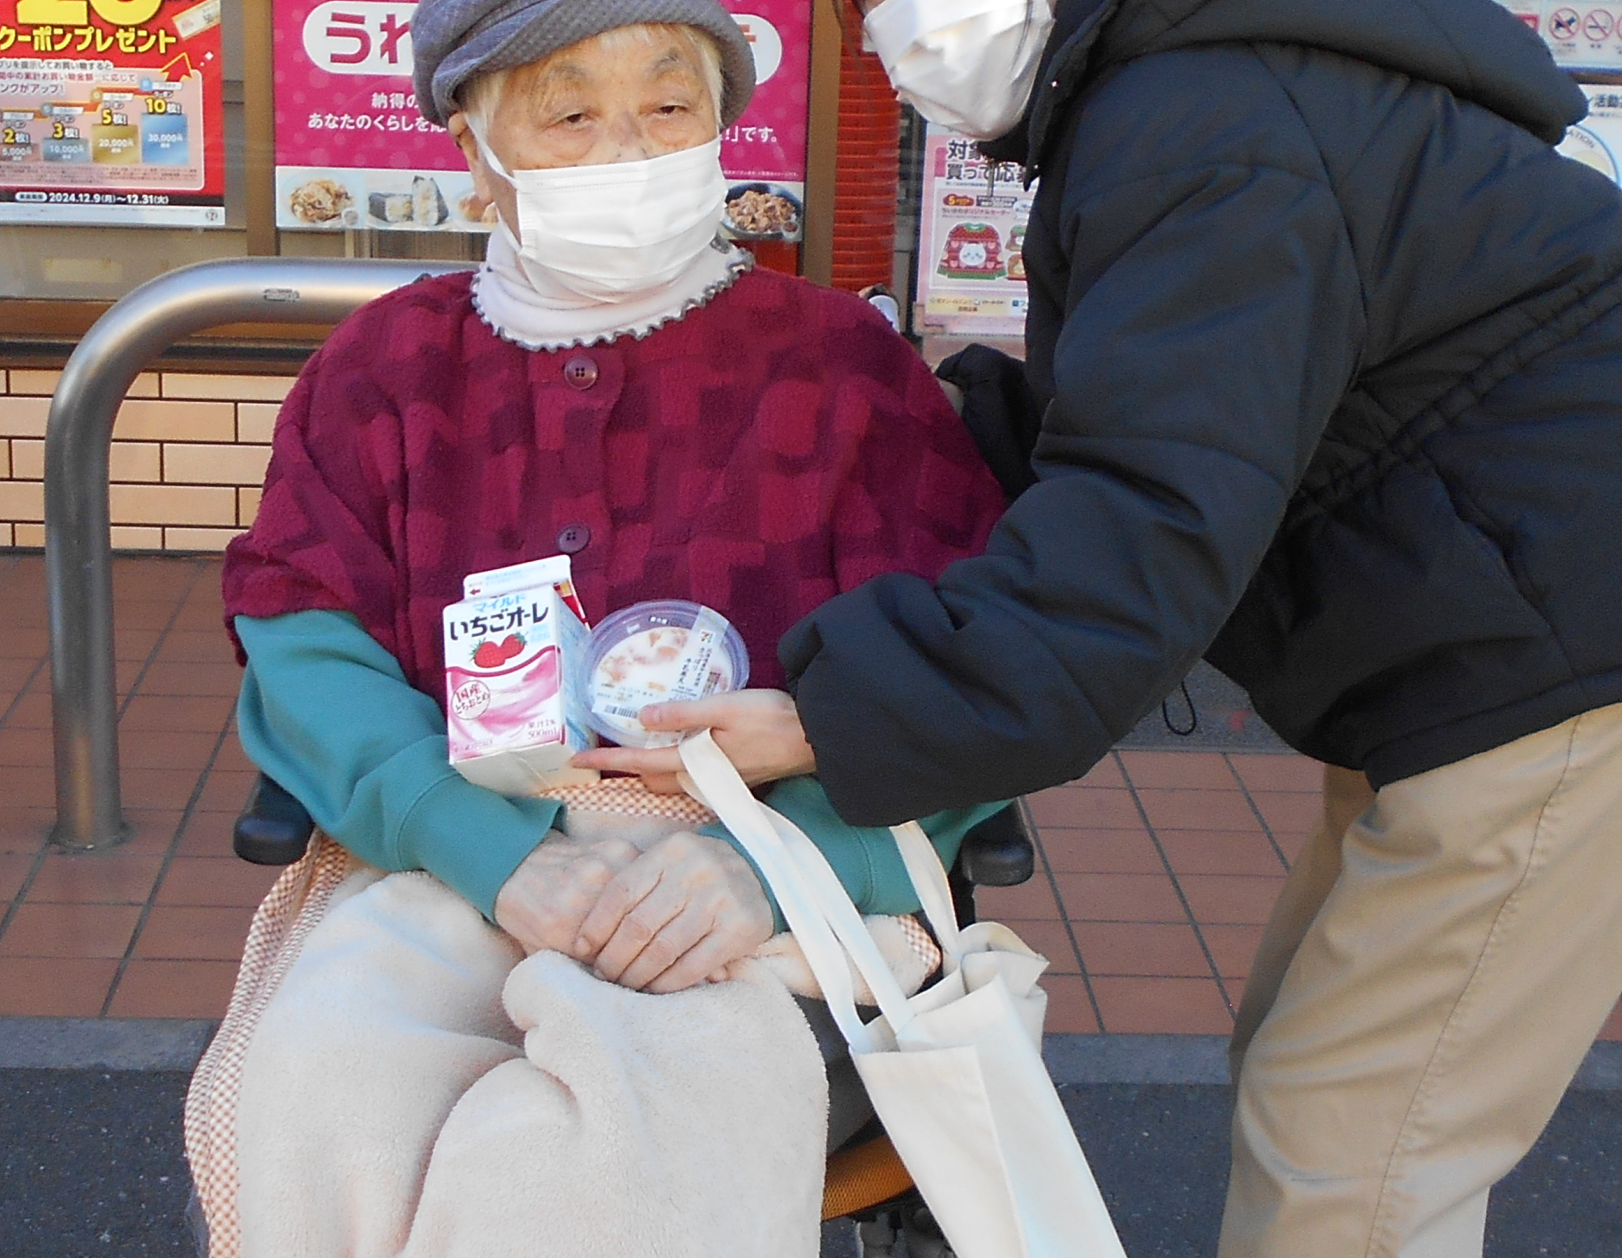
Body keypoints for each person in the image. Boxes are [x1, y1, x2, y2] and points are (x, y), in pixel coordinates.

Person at [576, 1, 1622, 1255]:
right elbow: (1179, 420)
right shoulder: (1191, 87)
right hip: (1475, 641)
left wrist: (832, 714)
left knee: (1356, 1148)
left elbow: (1147, 521)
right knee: (1302, 1049)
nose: (882, 36)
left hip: (1555, 666)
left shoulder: (1201, 124)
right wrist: (904, 425)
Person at [211, 1, 1011, 1244]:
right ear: (479, 156)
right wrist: (491, 851)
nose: (630, 147)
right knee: (332, 1094)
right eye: (570, 111)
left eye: (669, 103)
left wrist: (770, 866)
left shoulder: (842, 365)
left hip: (768, 876)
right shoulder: (384, 369)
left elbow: (962, 655)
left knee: (587, 1160)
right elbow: (304, 630)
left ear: (721, 131)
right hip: (452, 851)